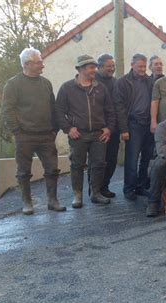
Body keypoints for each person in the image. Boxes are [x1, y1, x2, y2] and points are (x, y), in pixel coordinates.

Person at [1, 47, 66, 215]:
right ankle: (27, 203)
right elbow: (7, 110)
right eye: (39, 63)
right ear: (27, 64)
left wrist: (55, 129)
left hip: (46, 135)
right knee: (23, 172)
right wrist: (17, 131)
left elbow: (54, 107)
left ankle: (53, 201)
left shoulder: (46, 83)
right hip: (25, 136)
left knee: (52, 170)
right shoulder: (13, 84)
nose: (42, 65)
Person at [56, 55, 116, 208]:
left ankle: (95, 193)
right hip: (78, 134)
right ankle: (77, 195)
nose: (94, 70)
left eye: (94, 67)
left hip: (98, 134)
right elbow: (58, 111)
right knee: (77, 165)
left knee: (99, 164)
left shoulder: (100, 88)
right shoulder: (67, 88)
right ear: (81, 69)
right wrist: (68, 128)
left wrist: (109, 128)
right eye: (91, 67)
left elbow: (110, 111)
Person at [114, 53, 155, 200]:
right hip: (133, 124)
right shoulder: (123, 82)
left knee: (146, 158)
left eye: (144, 66)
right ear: (132, 65)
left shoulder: (149, 81)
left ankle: (141, 186)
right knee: (131, 160)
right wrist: (123, 129)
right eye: (139, 66)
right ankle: (129, 189)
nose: (142, 69)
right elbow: (119, 107)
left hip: (148, 124)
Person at [91, 53, 118, 198]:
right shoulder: (92, 81)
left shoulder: (115, 82)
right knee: (97, 161)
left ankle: (104, 187)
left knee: (111, 160)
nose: (112, 69)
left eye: (113, 66)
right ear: (100, 67)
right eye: (109, 66)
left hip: (113, 128)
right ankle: (94, 189)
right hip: (97, 129)